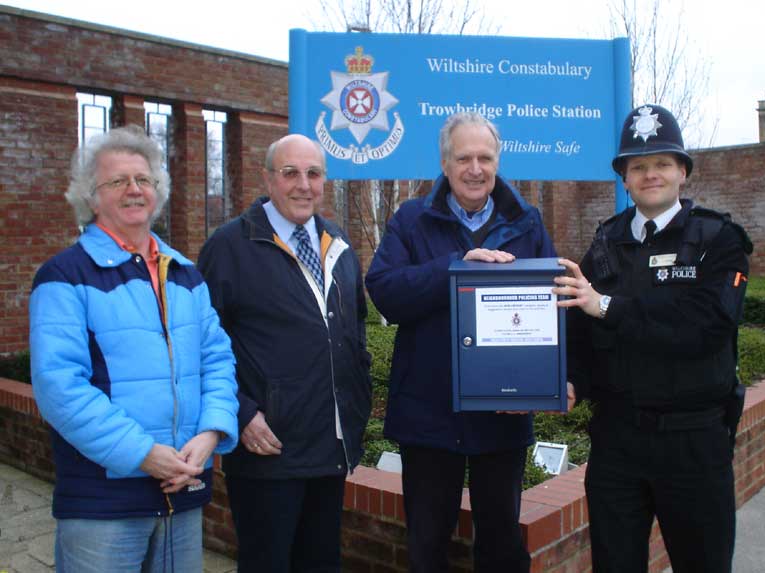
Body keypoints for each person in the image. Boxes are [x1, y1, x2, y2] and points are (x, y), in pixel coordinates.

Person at [28, 125, 240, 573]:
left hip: (183, 490)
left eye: (144, 179)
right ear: (90, 196)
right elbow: (58, 386)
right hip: (104, 503)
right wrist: (144, 454)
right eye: (117, 181)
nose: (134, 190)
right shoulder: (65, 277)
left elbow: (217, 359)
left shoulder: (185, 274)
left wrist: (211, 434)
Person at [553, 104, 753, 573]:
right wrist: (571, 381)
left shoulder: (719, 241)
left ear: (683, 171)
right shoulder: (606, 242)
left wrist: (608, 306)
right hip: (617, 443)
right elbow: (580, 327)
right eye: (637, 166)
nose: (650, 174)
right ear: (624, 178)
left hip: (694, 441)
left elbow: (705, 327)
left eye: (662, 163)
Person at [365, 112, 557, 572]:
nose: (475, 168)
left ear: (497, 162)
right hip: (428, 413)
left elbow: (551, 307)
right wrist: (457, 268)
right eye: (464, 158)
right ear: (445, 164)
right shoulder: (411, 220)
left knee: (501, 544)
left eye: (485, 157)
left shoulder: (527, 222)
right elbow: (385, 290)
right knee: (427, 545)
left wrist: (542, 384)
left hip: (502, 413)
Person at [197, 133, 372, 573]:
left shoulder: (339, 243)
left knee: (321, 563)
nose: (303, 184)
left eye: (313, 173)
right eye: (290, 172)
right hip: (268, 451)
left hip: (329, 449)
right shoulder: (230, 246)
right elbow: (200, 342)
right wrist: (240, 413)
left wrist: (356, 406)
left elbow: (355, 332)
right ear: (268, 179)